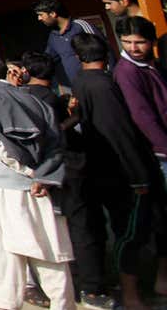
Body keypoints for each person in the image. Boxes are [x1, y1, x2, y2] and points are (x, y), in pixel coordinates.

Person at [0, 47, 73, 310]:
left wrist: (28, 172)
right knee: (49, 250)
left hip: (3, 187)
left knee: (4, 252)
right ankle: (62, 304)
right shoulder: (36, 101)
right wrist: (42, 175)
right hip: (41, 187)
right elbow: (56, 143)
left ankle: (4, 304)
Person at [72, 30, 164, 309]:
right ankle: (132, 295)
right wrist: (138, 176)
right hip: (122, 172)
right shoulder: (103, 86)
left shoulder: (80, 82)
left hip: (102, 168)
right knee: (129, 233)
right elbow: (120, 134)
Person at [113, 16, 167, 183]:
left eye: (140, 42)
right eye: (127, 42)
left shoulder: (152, 64)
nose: (133, 48)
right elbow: (142, 115)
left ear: (152, 41)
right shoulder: (127, 72)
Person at [35, 0, 98, 90]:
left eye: (41, 14)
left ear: (52, 13)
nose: (39, 18)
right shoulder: (53, 37)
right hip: (78, 88)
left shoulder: (80, 26)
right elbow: (48, 59)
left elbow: (104, 50)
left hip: (97, 83)